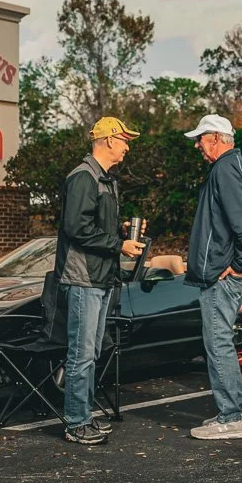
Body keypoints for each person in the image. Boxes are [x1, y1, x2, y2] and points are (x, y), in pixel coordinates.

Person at [183, 114, 242, 440]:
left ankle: (232, 417)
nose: (197, 145)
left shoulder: (224, 169)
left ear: (215, 138)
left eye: (200, 139)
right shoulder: (241, 168)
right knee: (221, 340)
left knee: (218, 343)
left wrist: (241, 266)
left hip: (221, 278)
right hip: (227, 274)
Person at [54, 116, 144, 445]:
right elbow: (75, 228)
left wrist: (121, 233)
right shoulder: (84, 177)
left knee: (90, 352)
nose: (127, 146)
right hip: (83, 278)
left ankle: (84, 417)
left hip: (101, 277)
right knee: (81, 353)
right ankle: (76, 423)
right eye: (123, 140)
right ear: (107, 140)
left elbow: (94, 228)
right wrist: (118, 244)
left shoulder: (106, 180)